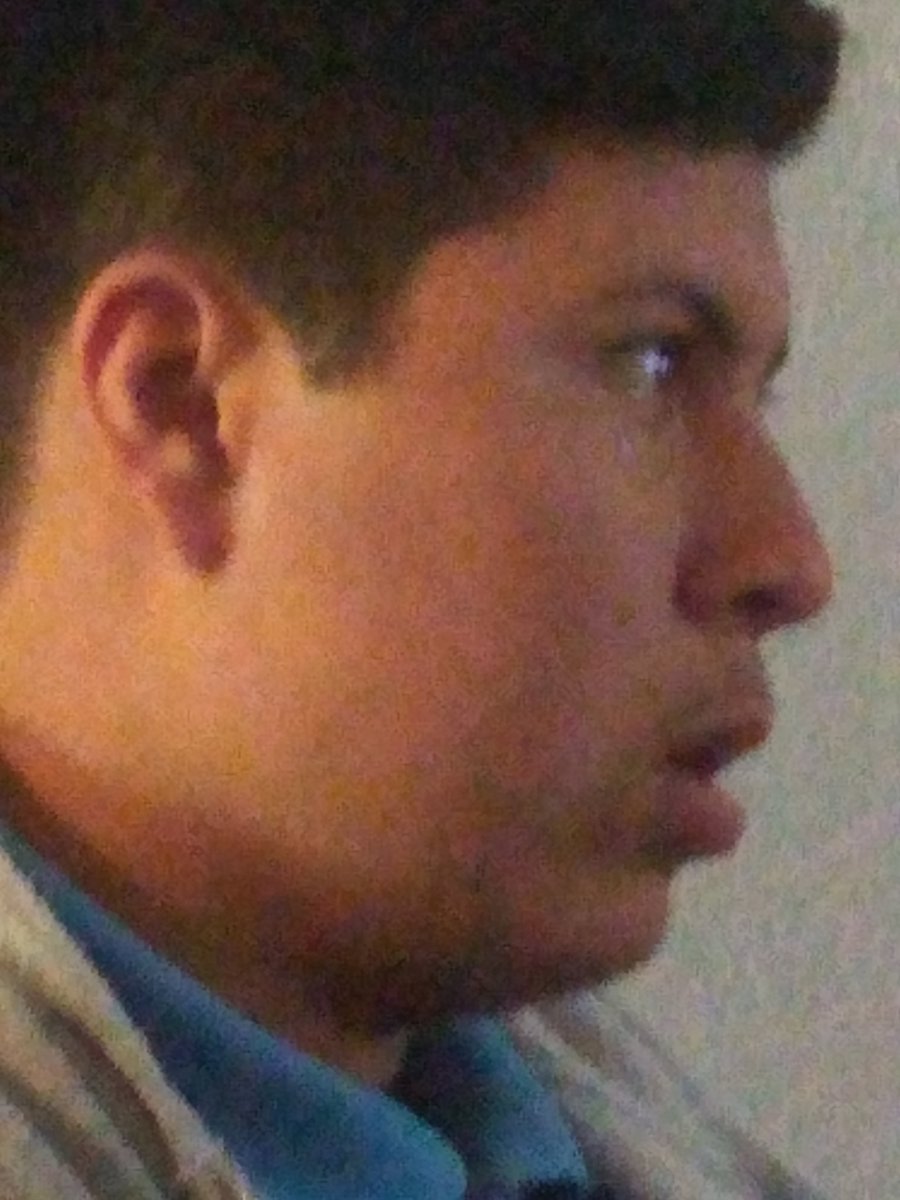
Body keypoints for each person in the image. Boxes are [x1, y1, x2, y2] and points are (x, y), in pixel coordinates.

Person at [0, 3, 844, 1197]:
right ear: (183, 402)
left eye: (757, 396)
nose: (788, 561)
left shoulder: (570, 1120)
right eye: (650, 363)